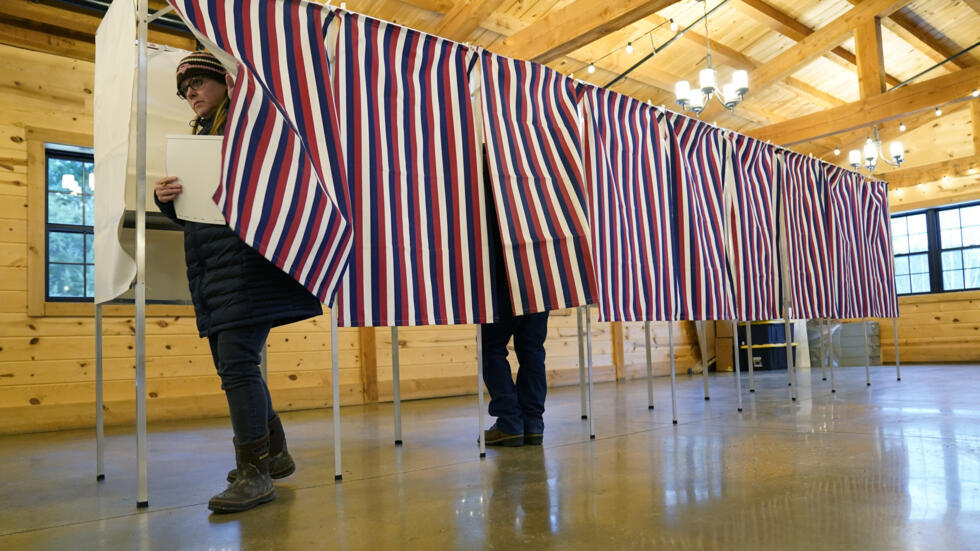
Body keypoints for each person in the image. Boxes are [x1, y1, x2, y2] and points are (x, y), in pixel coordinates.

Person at [154, 51, 323, 513]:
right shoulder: (202, 138)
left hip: (247, 268)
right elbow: (201, 214)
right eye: (184, 88)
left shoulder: (249, 131)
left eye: (199, 82)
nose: (191, 92)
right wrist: (166, 200)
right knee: (234, 365)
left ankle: (256, 472)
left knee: (238, 366)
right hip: (216, 269)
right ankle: (275, 453)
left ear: (226, 84)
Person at [480, 160, 550, 448]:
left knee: (492, 348)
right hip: (539, 274)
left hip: (499, 275)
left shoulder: (482, 167)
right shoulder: (537, 167)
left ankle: (510, 421)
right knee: (532, 347)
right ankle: (533, 423)